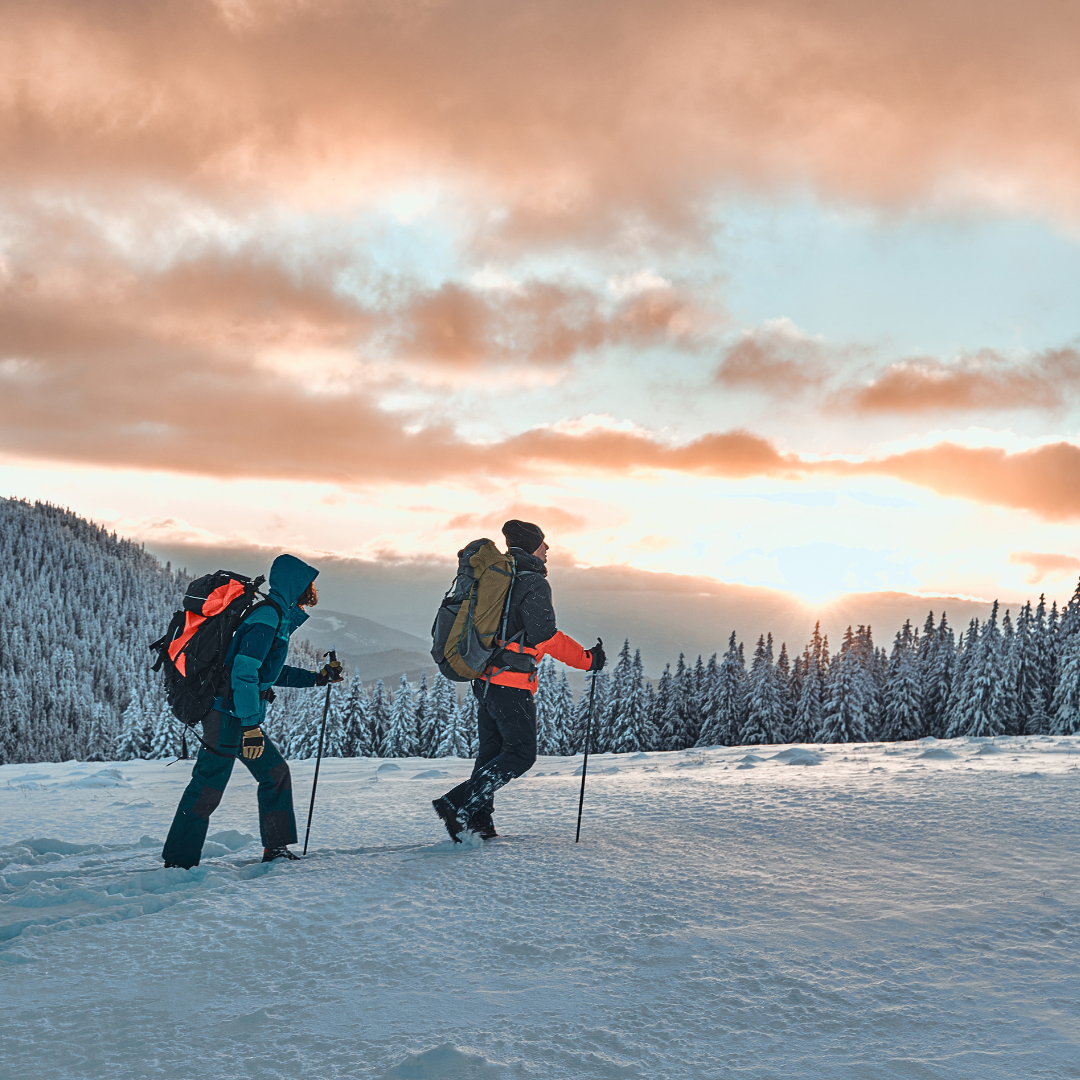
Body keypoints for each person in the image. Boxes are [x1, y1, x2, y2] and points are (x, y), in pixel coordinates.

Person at [162, 553, 342, 868]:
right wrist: (251, 728)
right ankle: (179, 861)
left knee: (274, 773)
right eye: (308, 582)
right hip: (228, 715)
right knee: (208, 786)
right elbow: (243, 673)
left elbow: (265, 673)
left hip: (236, 715)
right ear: (294, 584)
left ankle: (275, 850)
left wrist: (316, 678)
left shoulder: (275, 616)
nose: (312, 589)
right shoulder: (267, 617)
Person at [433, 519, 605, 841]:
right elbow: (545, 637)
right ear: (531, 546)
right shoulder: (532, 582)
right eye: (543, 543)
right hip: (510, 684)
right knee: (521, 754)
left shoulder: (504, 577)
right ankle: (457, 803)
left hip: (485, 681)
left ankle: (477, 823)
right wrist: (587, 659)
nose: (547, 549)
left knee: (491, 753)